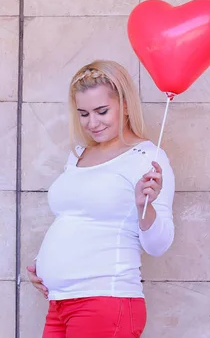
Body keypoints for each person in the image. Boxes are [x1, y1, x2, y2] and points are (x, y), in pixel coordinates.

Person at [27, 60, 176, 337]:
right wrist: (44, 263)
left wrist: (146, 207)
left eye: (102, 111)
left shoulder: (145, 158)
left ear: (126, 105)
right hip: (60, 302)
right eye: (83, 113)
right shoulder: (79, 154)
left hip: (105, 300)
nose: (92, 123)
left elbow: (159, 245)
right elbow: (78, 217)